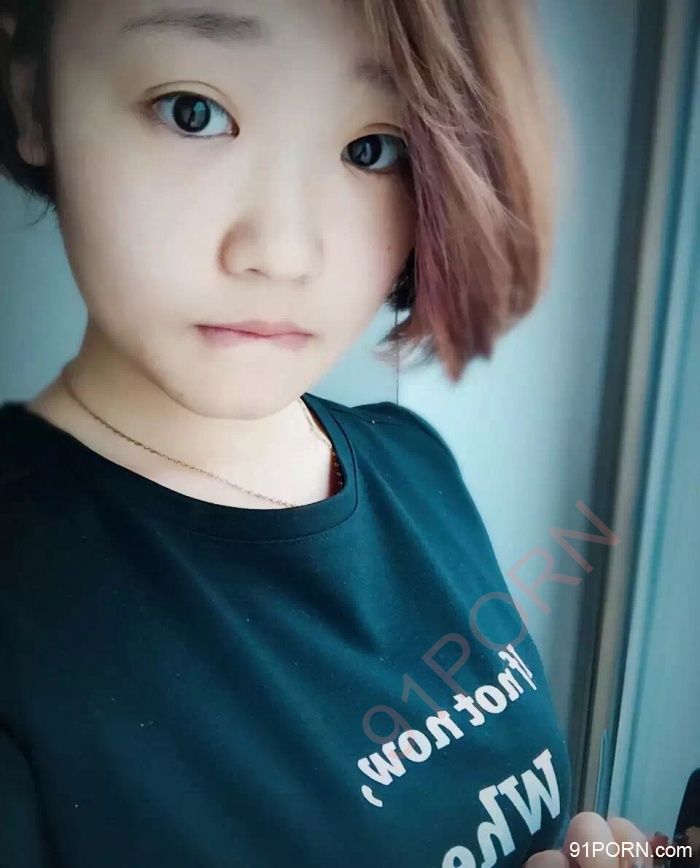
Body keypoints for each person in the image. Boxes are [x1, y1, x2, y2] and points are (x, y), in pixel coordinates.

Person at [0, 1, 655, 866]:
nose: (282, 252)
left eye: (372, 148)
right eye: (194, 111)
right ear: (31, 91)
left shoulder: (410, 460)